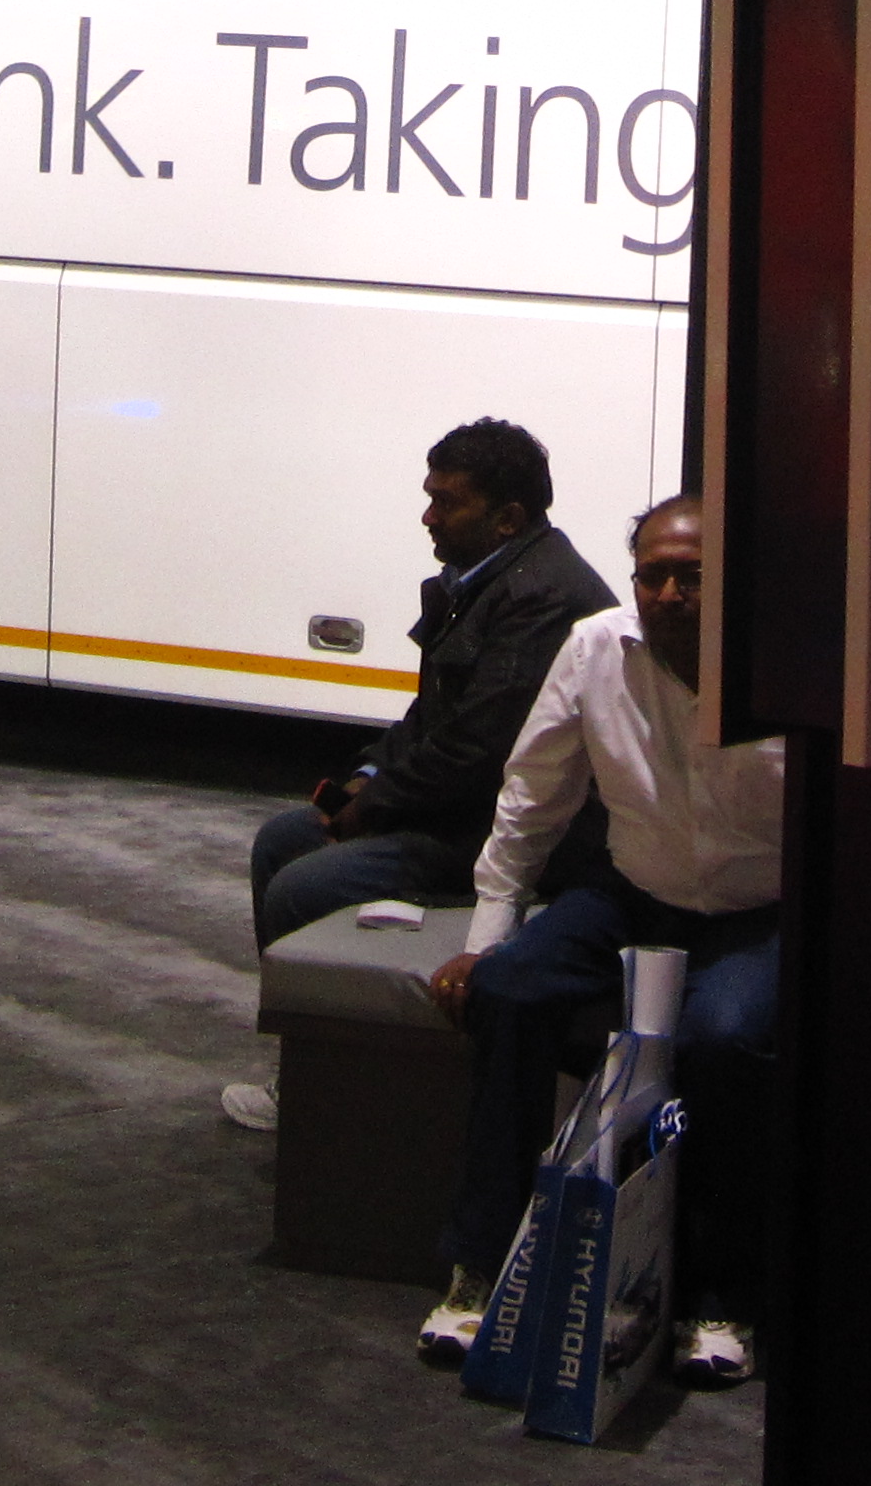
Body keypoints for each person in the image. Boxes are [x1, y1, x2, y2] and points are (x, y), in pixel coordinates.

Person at [417, 493, 782, 1393]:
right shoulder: (594, 648)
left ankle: (719, 1299)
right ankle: (480, 1268)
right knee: (508, 990)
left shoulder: (793, 665)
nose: (669, 595)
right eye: (652, 576)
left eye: (692, 576)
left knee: (723, 1037)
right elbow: (531, 796)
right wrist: (487, 939)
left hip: (758, 906)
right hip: (634, 890)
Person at [224, 420, 612, 1128]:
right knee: (282, 840)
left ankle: (327, 1096)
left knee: (305, 884)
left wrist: (371, 808)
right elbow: (433, 715)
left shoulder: (543, 598)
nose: (428, 516)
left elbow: (480, 752)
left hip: (514, 838)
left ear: (507, 518)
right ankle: (304, 1067)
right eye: (430, 497)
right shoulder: (483, 581)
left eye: (446, 502)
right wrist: (367, 775)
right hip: (460, 811)